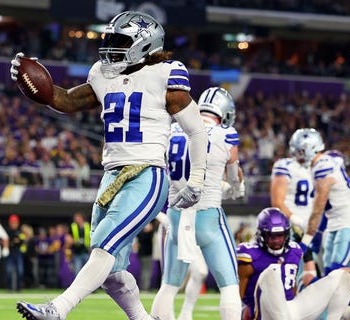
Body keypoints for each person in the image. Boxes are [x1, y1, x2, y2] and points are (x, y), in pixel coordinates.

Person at [14, 11, 209, 320]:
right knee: (109, 270)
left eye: (119, 41)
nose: (109, 47)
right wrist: (34, 86)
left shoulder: (166, 73)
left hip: (146, 174)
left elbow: (197, 130)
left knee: (104, 247)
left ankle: (58, 309)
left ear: (144, 45)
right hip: (111, 176)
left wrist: (196, 179)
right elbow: (67, 101)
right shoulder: (103, 74)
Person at [151, 86, 243, 320]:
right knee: (230, 285)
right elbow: (234, 176)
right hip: (207, 215)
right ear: (225, 112)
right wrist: (234, 187)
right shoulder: (226, 133)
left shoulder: (173, 129)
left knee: (169, 286)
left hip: (176, 214)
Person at [237, 207, 350, 320]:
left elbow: (292, 288)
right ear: (262, 235)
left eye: (280, 235)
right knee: (272, 273)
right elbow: (237, 295)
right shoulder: (249, 254)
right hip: (265, 314)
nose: (277, 241)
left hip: (292, 309)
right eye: (272, 236)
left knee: (342, 277)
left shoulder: (294, 250)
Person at [292, 129, 350, 276]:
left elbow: (318, 209)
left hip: (348, 222)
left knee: (338, 274)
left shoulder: (322, 166)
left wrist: (306, 240)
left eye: (299, 151)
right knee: (328, 274)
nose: (296, 156)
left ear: (308, 149)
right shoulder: (320, 164)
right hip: (334, 223)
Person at [270, 129, 317, 286]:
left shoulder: (318, 168)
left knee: (312, 276)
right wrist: (295, 220)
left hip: (310, 230)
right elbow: (277, 202)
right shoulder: (286, 165)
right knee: (285, 277)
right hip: (289, 228)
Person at [6, 214, 25, 292]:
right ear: (10, 223)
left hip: (18, 253)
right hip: (9, 253)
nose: (14, 224)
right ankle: (9, 288)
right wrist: (13, 242)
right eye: (12, 222)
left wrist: (14, 242)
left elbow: (22, 241)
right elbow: (8, 242)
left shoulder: (20, 232)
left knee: (20, 271)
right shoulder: (7, 231)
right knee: (9, 271)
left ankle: (18, 288)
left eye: (15, 222)